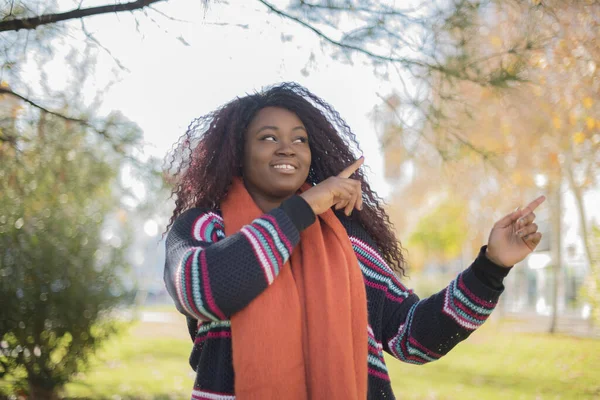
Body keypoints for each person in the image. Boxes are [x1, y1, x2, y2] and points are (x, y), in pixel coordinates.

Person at [163, 82, 544, 400]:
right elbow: (207, 290)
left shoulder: (346, 241)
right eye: (268, 137)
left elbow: (413, 337)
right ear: (237, 154)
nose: (287, 147)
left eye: (300, 139)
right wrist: (305, 207)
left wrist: (491, 268)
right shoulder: (202, 228)